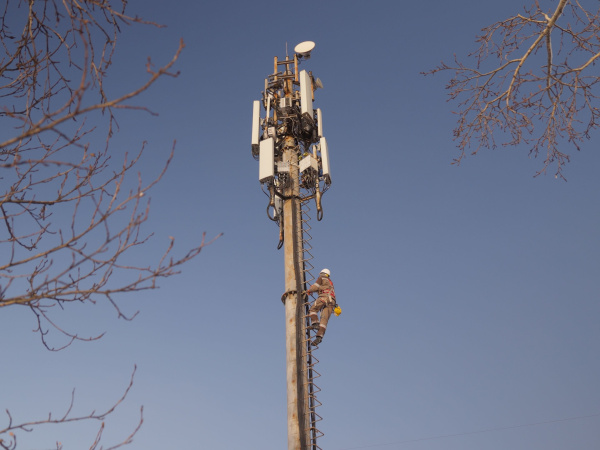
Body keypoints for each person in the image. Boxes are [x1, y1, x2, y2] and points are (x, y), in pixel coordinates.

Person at [305, 268, 338, 346]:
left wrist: (309, 290)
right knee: (324, 319)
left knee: (313, 309)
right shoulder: (330, 282)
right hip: (332, 302)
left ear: (321, 273)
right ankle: (319, 337)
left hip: (324, 297)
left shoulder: (321, 278)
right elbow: (323, 288)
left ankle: (315, 323)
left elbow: (315, 287)